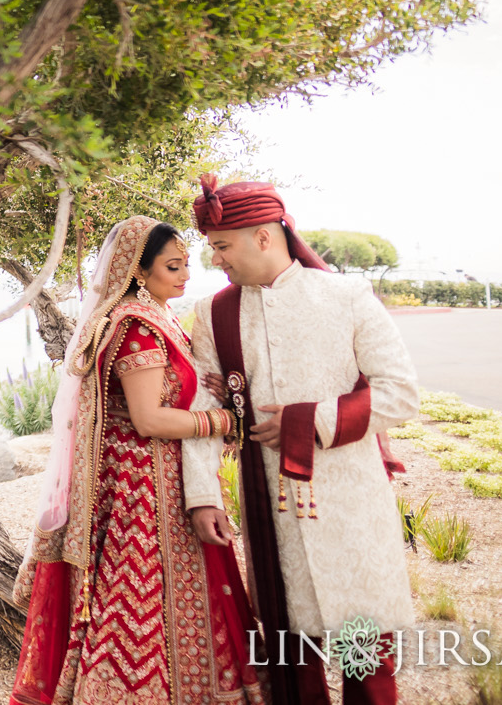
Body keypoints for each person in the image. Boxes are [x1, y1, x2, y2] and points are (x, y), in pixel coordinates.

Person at [183, 177, 418, 705]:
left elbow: (401, 394)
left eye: (222, 246)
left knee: (366, 643)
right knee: (289, 646)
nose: (215, 260)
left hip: (350, 495)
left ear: (264, 237)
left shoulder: (347, 297)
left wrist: (309, 421)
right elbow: (202, 410)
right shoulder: (214, 314)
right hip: (270, 501)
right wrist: (202, 495)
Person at [10, 216, 263, 705]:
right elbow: (149, 419)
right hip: (142, 489)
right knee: (136, 602)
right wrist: (227, 423)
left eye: (187, 263)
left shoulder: (155, 315)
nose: (185, 274)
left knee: (151, 598)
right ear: (137, 271)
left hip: (157, 478)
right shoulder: (135, 326)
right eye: (172, 266)